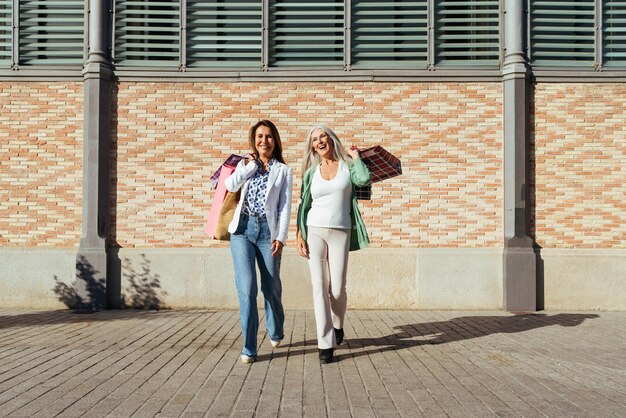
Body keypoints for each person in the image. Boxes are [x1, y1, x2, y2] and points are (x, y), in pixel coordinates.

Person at [296, 124, 371, 364]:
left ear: (331, 139)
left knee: (337, 289)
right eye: (314, 139)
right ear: (312, 147)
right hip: (314, 231)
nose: (319, 141)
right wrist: (299, 233)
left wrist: (357, 157)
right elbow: (303, 204)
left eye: (322, 136)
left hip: (341, 231)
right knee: (319, 286)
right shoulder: (311, 172)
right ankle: (324, 344)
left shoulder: (348, 167)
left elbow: (365, 178)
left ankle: (338, 325)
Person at [225, 120, 293, 364]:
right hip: (241, 230)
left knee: (271, 287)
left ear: (275, 141)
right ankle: (249, 348)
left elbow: (284, 207)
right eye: (259, 136)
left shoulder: (284, 170)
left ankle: (275, 329)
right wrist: (248, 167)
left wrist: (281, 237)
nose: (264, 141)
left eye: (269, 136)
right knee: (247, 289)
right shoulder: (245, 164)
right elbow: (229, 185)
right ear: (254, 140)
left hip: (268, 232)